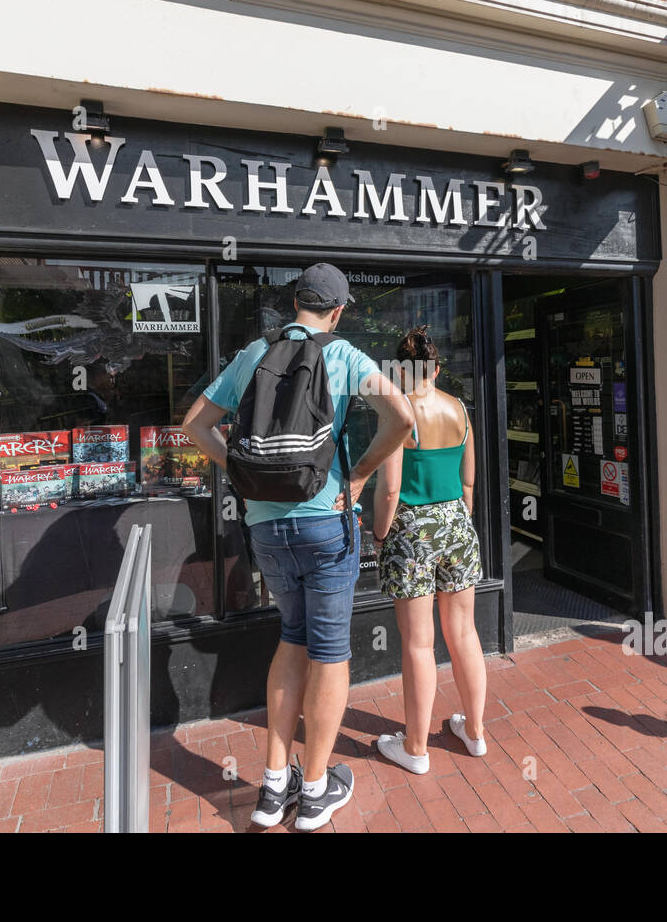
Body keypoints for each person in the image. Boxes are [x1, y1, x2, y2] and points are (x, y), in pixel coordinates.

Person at [182, 263, 413, 831]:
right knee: (330, 651)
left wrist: (240, 470)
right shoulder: (345, 355)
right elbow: (402, 417)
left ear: (294, 306)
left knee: (291, 638)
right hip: (325, 521)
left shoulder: (253, 353)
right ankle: (313, 791)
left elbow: (195, 424)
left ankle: (272, 787)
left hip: (266, 527)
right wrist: (357, 476)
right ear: (337, 311)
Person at [362, 326, 487, 774]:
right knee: (465, 633)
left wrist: (379, 535)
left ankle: (415, 749)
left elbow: (390, 488)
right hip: (457, 522)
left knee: (419, 643)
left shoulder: (399, 414)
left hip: (412, 528)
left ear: (401, 369)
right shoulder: (460, 409)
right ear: (435, 368)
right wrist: (460, 518)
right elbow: (469, 480)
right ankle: (474, 732)